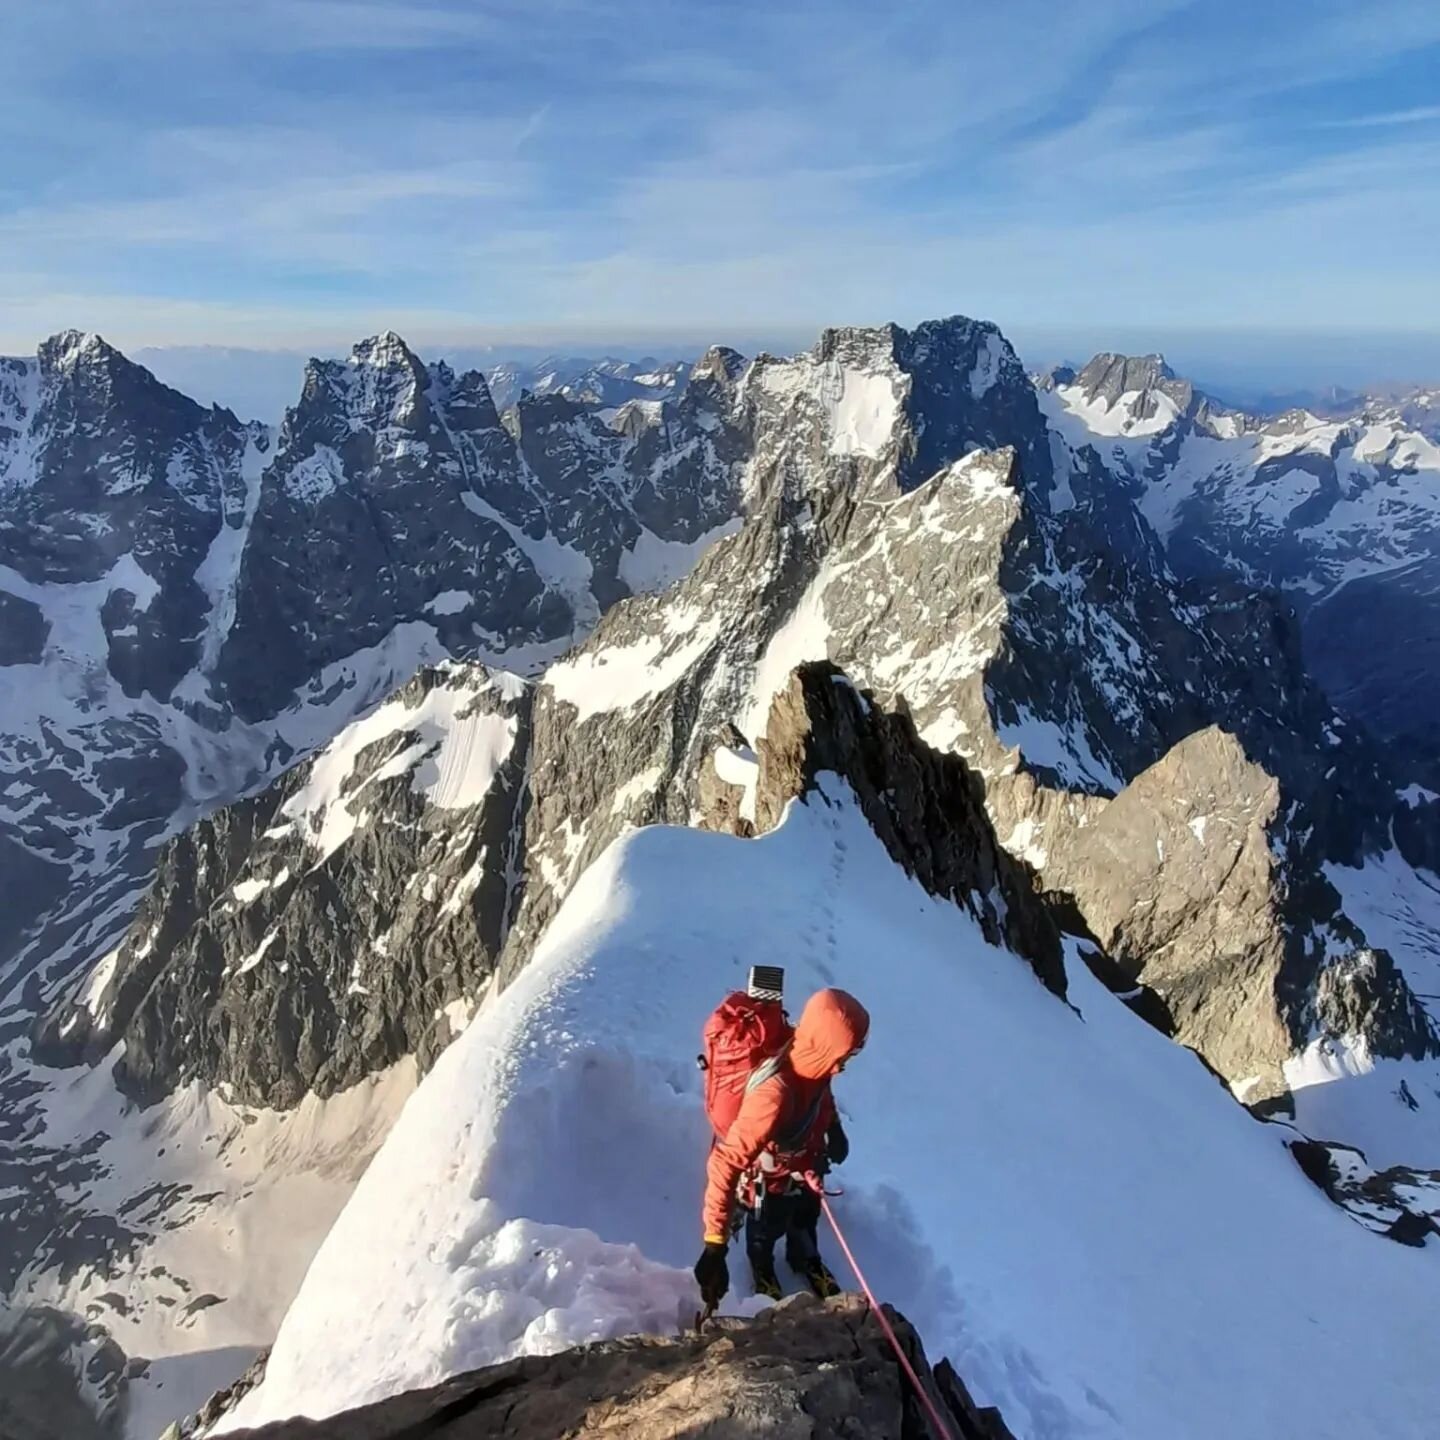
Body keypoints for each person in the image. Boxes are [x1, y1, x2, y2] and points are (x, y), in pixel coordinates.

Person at [694, 987, 870, 1306]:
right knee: (766, 1228)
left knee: (805, 1216)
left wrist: (834, 1128)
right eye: (844, 1057)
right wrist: (714, 1245)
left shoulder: (815, 1060)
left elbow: (821, 1095)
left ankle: (805, 1258)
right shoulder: (773, 1095)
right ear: (825, 1045)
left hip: (808, 1162)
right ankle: (762, 1269)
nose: (841, 1067)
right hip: (771, 1179)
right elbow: (725, 1163)